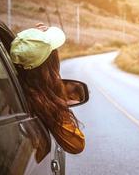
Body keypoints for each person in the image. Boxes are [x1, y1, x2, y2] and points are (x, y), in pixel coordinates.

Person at [9, 23, 85, 154]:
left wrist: (29, 36)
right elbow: (77, 144)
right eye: (54, 52)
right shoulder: (41, 100)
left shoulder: (7, 83)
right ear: (50, 64)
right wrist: (56, 94)